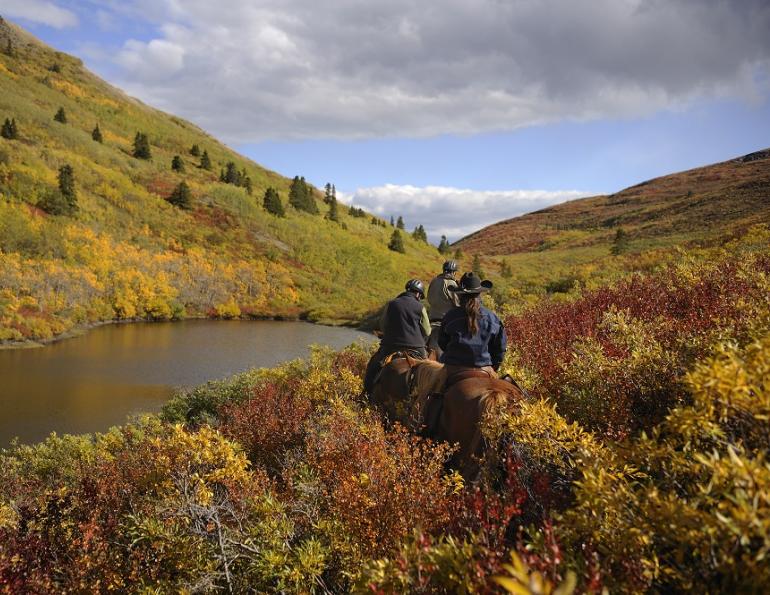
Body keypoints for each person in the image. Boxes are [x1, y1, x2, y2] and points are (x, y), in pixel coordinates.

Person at [363, 279, 431, 395]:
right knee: (427, 370)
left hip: (391, 345)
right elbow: (428, 331)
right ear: (419, 294)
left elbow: (383, 324)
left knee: (373, 366)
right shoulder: (420, 307)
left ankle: (367, 394)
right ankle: (427, 397)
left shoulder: (392, 304)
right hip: (415, 347)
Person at [438, 272, 506, 378]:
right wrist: (493, 367)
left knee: (432, 391)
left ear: (460, 294)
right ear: (479, 293)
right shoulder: (492, 317)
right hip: (484, 368)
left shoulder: (450, 316)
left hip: (453, 368)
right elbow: (500, 348)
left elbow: (442, 343)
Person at [426, 260, 459, 353]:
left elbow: (428, 298)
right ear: (454, 272)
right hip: (446, 322)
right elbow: (458, 304)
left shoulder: (434, 281)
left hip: (431, 320)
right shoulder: (451, 284)